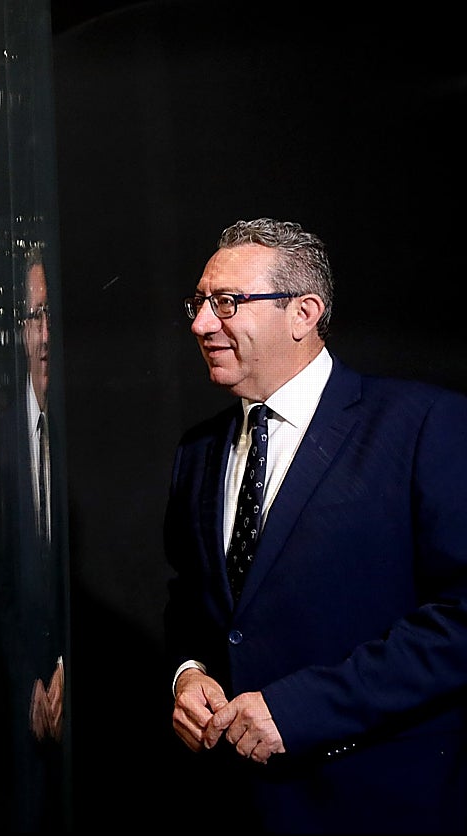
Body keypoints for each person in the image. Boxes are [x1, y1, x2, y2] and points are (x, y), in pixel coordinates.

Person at [165, 217, 467, 833]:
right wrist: (187, 672)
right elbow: (192, 603)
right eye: (199, 303)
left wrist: (303, 710)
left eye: (226, 303)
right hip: (234, 805)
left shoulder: (426, 426)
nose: (200, 323)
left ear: (303, 313)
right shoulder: (198, 452)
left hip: (382, 806)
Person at [0, 249, 65, 831]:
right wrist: (28, 682)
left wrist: (68, 669)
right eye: (33, 316)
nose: (44, 334)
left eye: (54, 317)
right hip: (8, 701)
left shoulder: (91, 428)